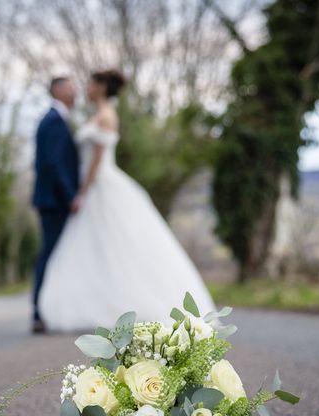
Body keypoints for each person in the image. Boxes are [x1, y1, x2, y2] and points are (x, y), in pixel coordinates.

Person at [38, 69, 216, 331]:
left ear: (101, 87)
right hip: (92, 189)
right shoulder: (96, 115)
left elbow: (97, 161)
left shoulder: (107, 116)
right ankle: (99, 302)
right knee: (97, 250)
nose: (84, 89)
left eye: (89, 84)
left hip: (100, 186)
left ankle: (131, 304)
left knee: (119, 247)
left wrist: (83, 192)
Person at [31, 77, 80, 333]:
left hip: (56, 200)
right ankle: (39, 312)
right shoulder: (53, 121)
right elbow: (53, 163)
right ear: (57, 90)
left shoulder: (58, 119)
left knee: (56, 254)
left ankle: (50, 310)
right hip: (54, 201)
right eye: (71, 87)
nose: (76, 91)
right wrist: (71, 195)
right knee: (49, 255)